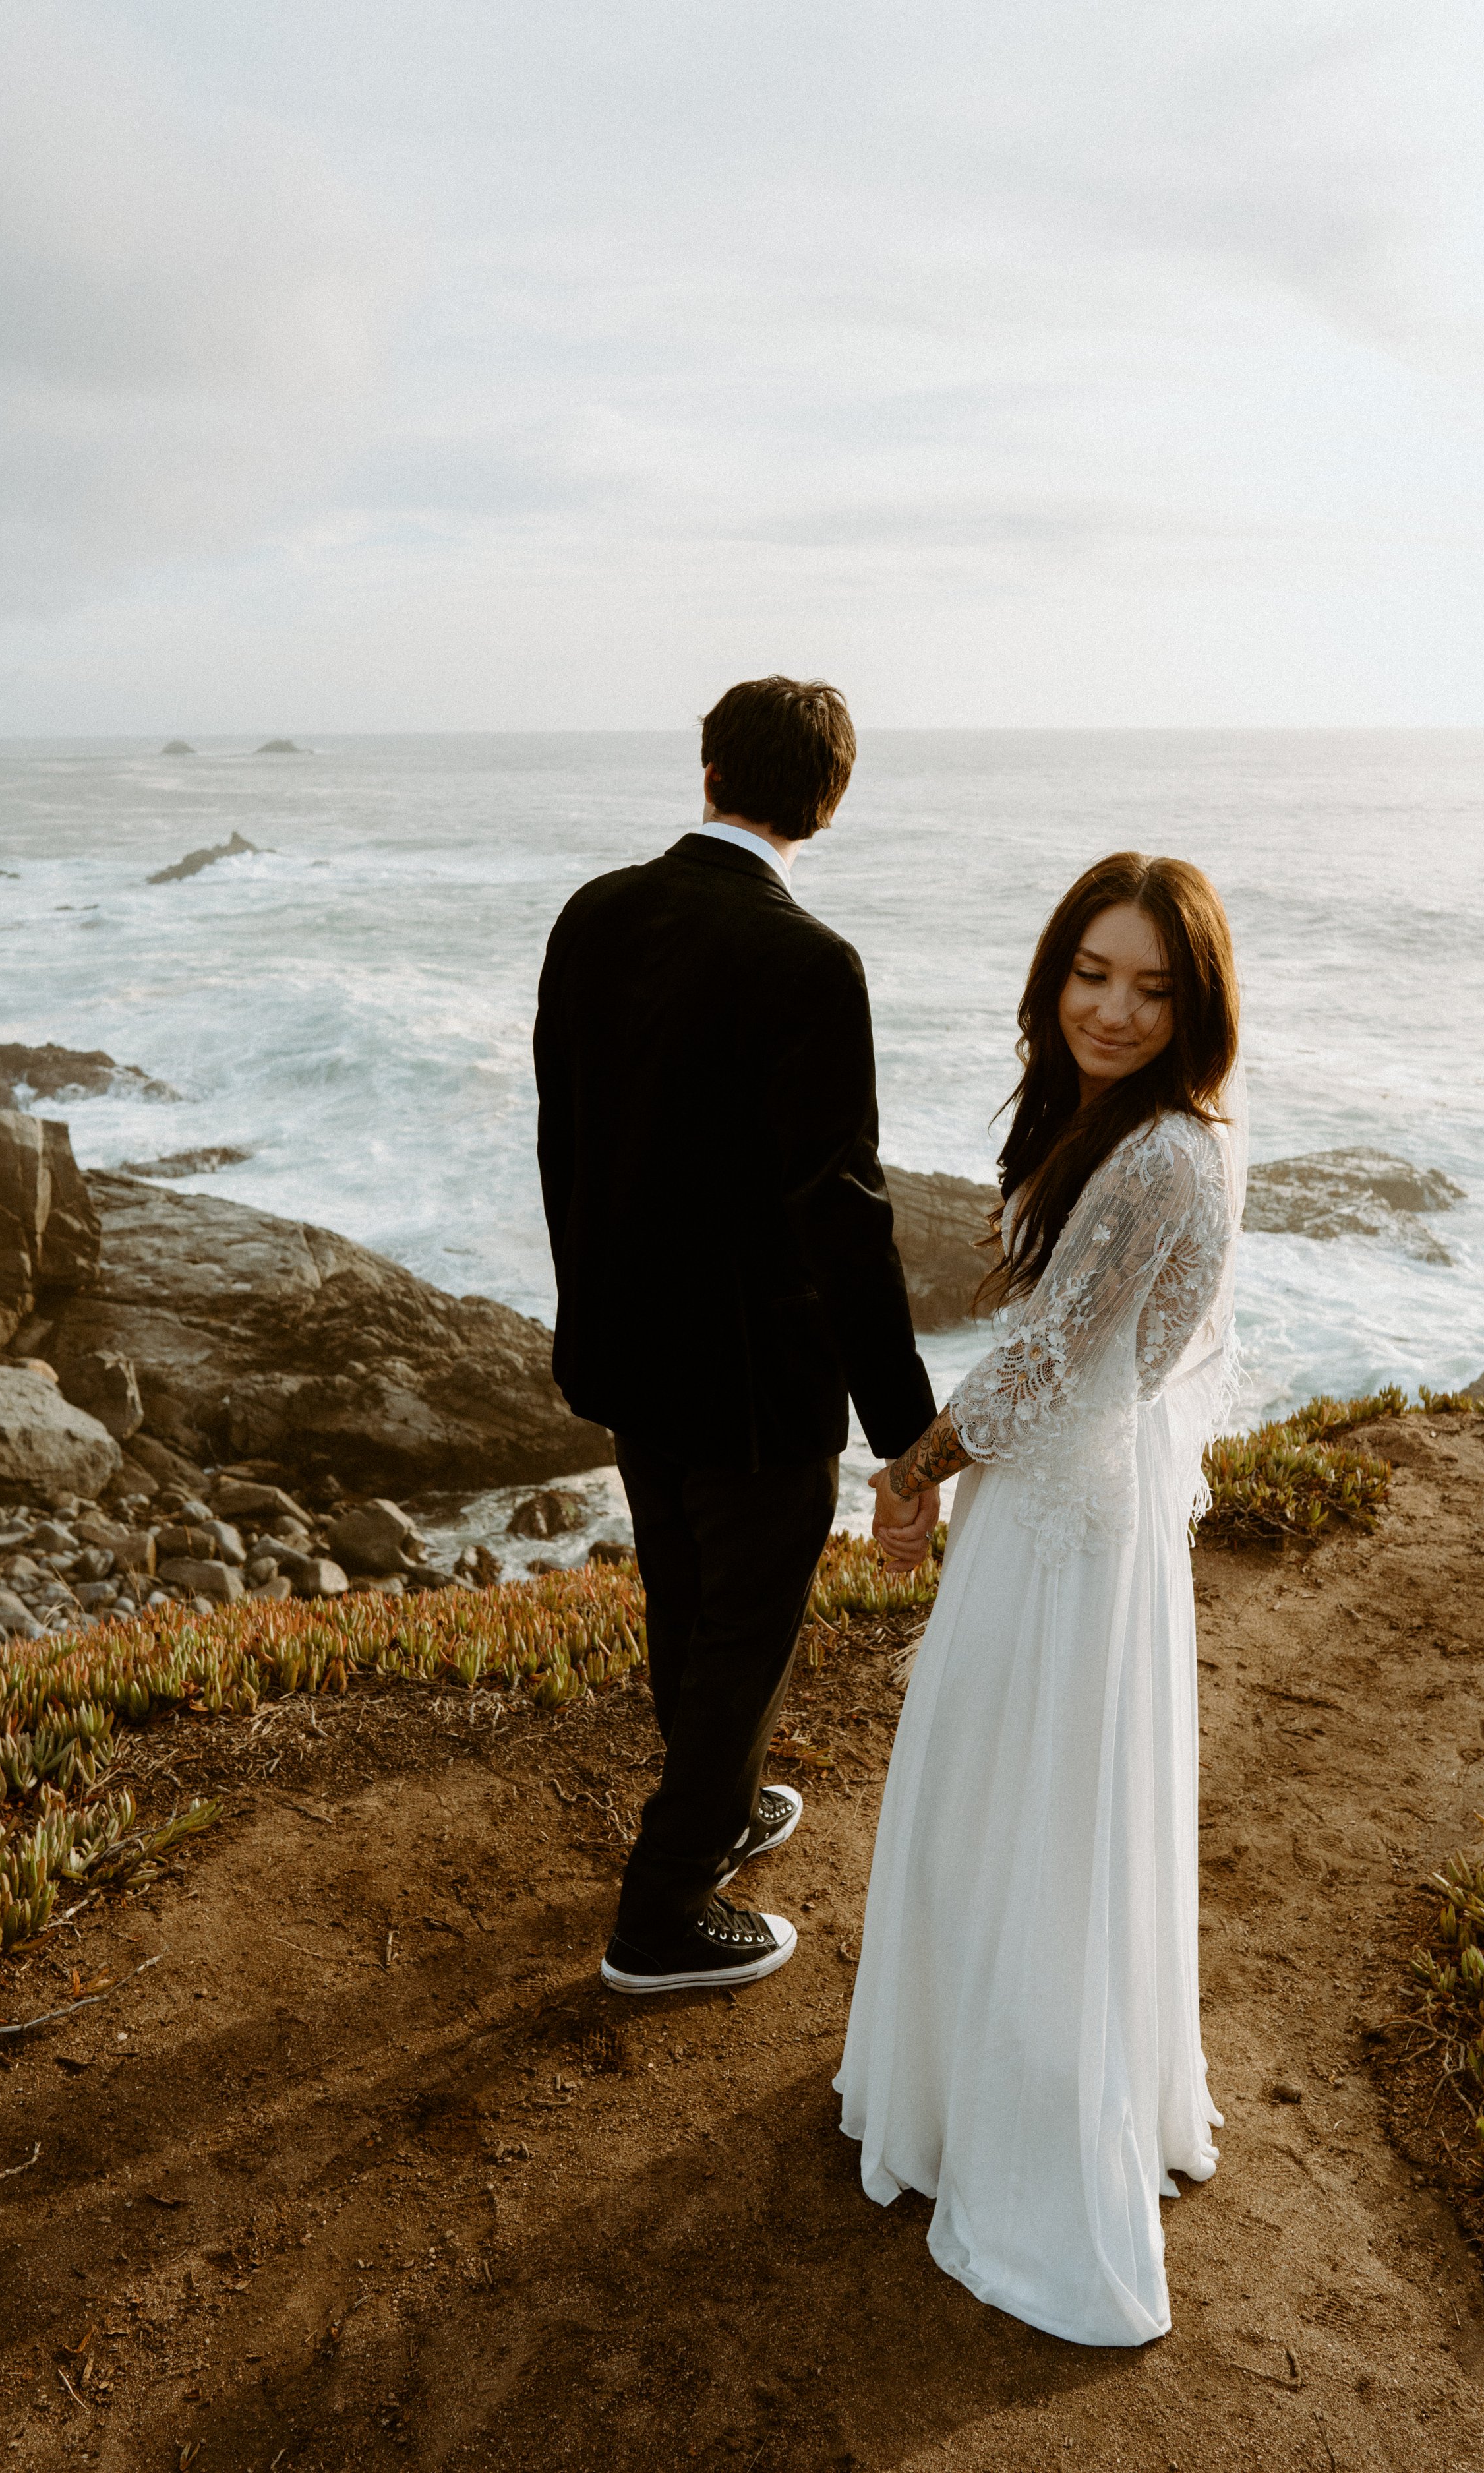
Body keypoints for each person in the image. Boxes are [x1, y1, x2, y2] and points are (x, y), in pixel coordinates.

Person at [838, 851, 1245, 2345]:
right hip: (1084, 1508)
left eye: (1150, 986)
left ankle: (1023, 2146)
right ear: (1053, 971)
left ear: (1193, 1001)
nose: (1114, 1010)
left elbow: (1041, 1367)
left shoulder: (1151, 1157)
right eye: (1091, 974)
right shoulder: (1136, 1133)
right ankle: (987, 2090)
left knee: (1024, 1817)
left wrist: (910, 1471)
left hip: (1062, 1527)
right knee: (1024, 1810)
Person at [534, 675, 940, 1996]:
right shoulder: (807, 963)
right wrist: (904, 1427)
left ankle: (727, 1798)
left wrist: (585, 1298)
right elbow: (843, 1206)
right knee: (745, 1630)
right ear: (827, 801)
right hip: (757, 1375)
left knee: (684, 1602)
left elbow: (564, 1136)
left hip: (628, 1348)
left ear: (707, 769)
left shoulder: (592, 914)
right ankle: (661, 1913)